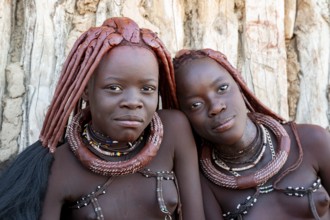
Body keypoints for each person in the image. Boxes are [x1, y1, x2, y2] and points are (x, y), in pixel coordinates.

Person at [0, 17, 205, 220]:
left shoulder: (174, 131)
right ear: (86, 91)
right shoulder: (60, 166)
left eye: (147, 89)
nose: (133, 102)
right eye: (114, 88)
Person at [172, 48, 330, 220]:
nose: (216, 107)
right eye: (195, 105)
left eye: (222, 88)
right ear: (184, 117)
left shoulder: (311, 141)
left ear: (239, 85)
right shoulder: (203, 184)